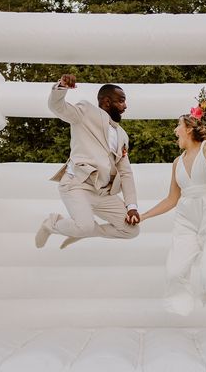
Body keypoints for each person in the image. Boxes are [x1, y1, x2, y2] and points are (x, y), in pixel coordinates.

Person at [140, 115, 206, 317]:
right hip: (186, 220)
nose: (175, 130)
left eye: (178, 126)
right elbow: (171, 199)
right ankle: (182, 306)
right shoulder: (177, 162)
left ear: (188, 129)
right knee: (174, 271)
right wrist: (143, 216)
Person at [35, 74, 140, 250]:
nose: (125, 106)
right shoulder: (85, 111)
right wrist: (62, 87)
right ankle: (52, 223)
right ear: (107, 102)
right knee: (84, 226)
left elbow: (125, 172)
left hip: (103, 193)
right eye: (121, 101)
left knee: (132, 230)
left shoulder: (122, 135)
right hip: (77, 185)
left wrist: (132, 206)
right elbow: (57, 107)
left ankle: (85, 231)